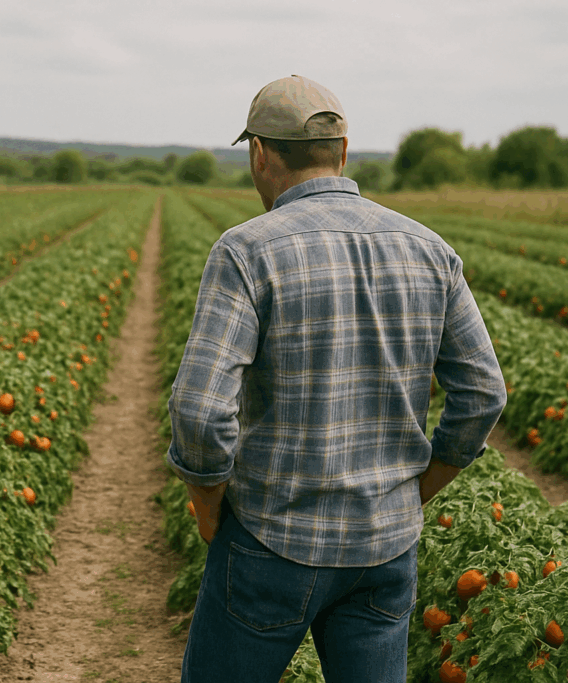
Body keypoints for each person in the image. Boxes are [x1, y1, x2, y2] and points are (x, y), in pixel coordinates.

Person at [165, 75, 507, 683]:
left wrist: (207, 503)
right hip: (385, 548)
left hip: (272, 539)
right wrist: (416, 490)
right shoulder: (429, 249)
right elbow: (483, 391)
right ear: (344, 152)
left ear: (260, 154)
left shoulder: (247, 252)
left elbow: (199, 408)